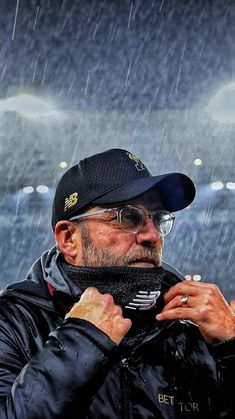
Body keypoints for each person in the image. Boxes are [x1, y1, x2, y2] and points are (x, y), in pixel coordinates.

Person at [0, 148, 234, 419]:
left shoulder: (188, 326)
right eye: (128, 217)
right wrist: (82, 338)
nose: (152, 235)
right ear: (68, 239)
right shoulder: (13, 323)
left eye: (158, 219)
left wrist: (231, 350)